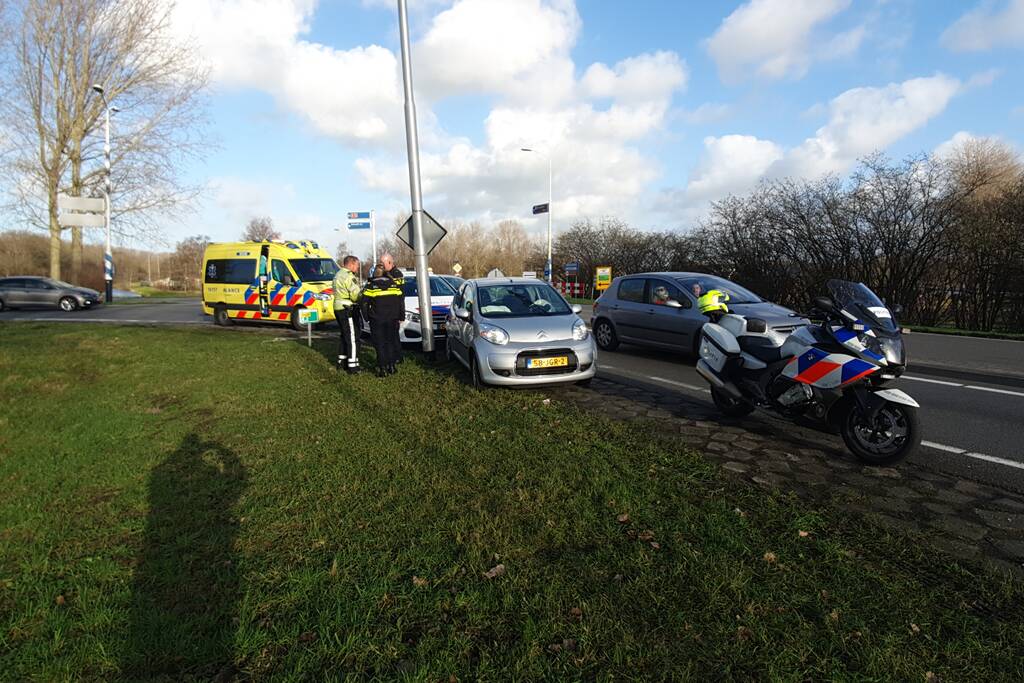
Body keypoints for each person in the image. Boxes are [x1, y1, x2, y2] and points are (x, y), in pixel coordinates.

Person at [361, 253, 405, 377]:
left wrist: (367, 317)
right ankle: (392, 366)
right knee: (390, 342)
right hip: (392, 318)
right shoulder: (393, 285)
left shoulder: (371, 286)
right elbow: (400, 301)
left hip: (377, 319)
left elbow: (364, 303)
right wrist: (401, 316)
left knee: (379, 344)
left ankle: (382, 369)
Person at [332, 255, 362, 374]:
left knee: (344, 335)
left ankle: (341, 361)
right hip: (347, 308)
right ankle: (353, 366)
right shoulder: (349, 276)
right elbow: (355, 295)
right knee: (352, 337)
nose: (358, 267)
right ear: (351, 264)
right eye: (357, 265)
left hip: (337, 307)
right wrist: (362, 297)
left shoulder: (337, 275)